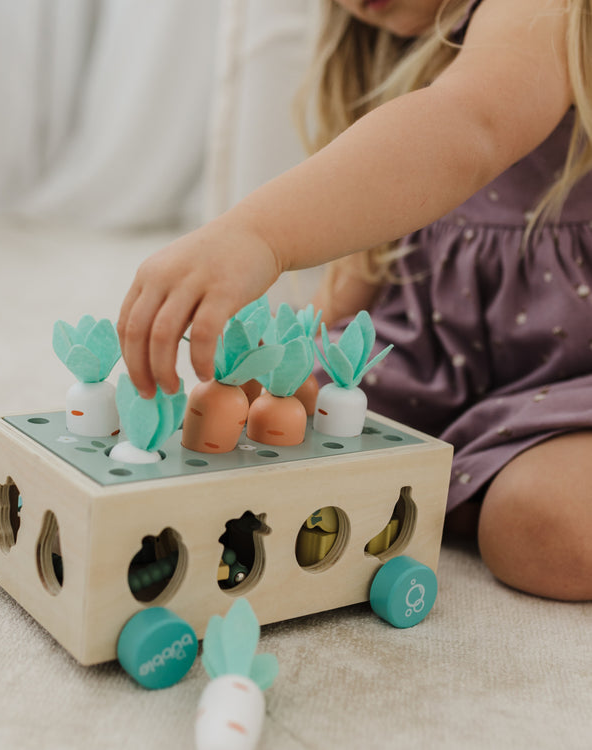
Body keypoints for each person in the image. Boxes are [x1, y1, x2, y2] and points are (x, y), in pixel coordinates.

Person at [117, 0, 592, 601]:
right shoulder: (394, 50)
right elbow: (366, 260)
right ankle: (464, 478)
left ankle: (478, 485)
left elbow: (471, 122)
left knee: (540, 526)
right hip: (437, 356)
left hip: (577, 373)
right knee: (275, 419)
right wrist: (295, 359)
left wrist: (259, 233)